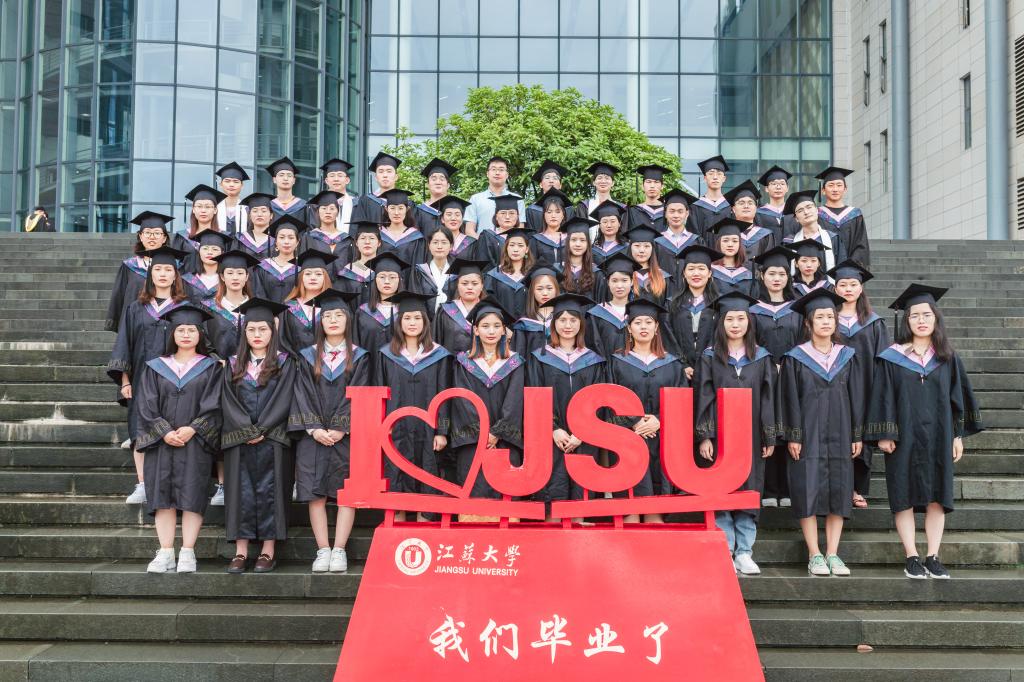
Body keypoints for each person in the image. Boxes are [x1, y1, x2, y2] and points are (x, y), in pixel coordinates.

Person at [866, 284, 983, 580]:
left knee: (937, 496)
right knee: (902, 494)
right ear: (906, 321)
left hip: (939, 436)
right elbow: (883, 396)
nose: (921, 320)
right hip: (903, 436)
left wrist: (957, 435)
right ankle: (911, 556)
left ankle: (933, 556)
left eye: (926, 315)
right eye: (915, 315)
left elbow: (958, 398)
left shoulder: (947, 357)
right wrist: (885, 433)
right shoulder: (891, 357)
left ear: (936, 318)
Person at [778, 289, 864, 578]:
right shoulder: (795, 358)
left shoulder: (848, 357)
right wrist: (794, 435)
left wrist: (856, 434)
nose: (826, 322)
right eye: (820, 317)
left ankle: (833, 553)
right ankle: (814, 553)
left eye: (830, 317)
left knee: (839, 490)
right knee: (807, 489)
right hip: (808, 434)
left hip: (841, 432)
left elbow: (856, 397)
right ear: (808, 323)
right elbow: (789, 399)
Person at [135, 304, 223, 573]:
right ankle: (165, 552)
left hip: (195, 442)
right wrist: (164, 431)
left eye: (192, 330)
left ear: (200, 334)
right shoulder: (155, 367)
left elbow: (215, 403)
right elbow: (146, 404)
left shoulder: (211, 367)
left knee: (193, 495)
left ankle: (187, 552)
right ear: (172, 333)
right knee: (161, 496)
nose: (186, 335)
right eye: (181, 330)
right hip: (161, 443)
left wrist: (193, 428)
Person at [694, 291, 777, 575]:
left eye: (741, 318)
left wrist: (768, 435)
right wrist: (705, 435)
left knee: (749, 488)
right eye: (730, 319)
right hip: (720, 435)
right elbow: (703, 396)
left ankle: (744, 551)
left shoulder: (761, 357)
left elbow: (768, 398)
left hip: (750, 436)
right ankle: (725, 547)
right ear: (721, 322)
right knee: (721, 488)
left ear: (749, 322)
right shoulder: (709, 357)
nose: (736, 324)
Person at [290, 288, 369, 573]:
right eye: (327, 316)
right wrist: (313, 428)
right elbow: (301, 392)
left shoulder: (360, 356)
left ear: (348, 319)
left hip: (347, 436)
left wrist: (340, 428)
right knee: (316, 493)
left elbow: (360, 391)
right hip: (314, 436)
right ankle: (323, 549)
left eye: (338, 315)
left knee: (346, 492)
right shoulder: (307, 356)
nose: (333, 320)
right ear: (320, 321)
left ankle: (340, 550)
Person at [108, 245, 189, 506]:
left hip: (177, 380)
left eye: (168, 269)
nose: (163, 274)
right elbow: (124, 343)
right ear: (150, 274)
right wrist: (125, 380)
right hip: (141, 379)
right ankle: (143, 484)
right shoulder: (135, 308)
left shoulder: (185, 308)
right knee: (140, 429)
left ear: (175, 275)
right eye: (158, 269)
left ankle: (172, 486)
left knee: (173, 428)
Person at [220, 298, 295, 574]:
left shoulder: (286, 363)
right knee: (240, 492)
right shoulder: (232, 364)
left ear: (272, 332)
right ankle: (240, 551)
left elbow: (285, 397)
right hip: (239, 439)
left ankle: (267, 550)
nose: (257, 335)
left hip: (273, 438)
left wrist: (262, 428)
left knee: (270, 492)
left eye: (263, 329)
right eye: (251, 330)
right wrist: (246, 429)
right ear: (244, 332)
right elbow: (227, 400)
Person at [527, 293, 606, 520]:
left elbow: (597, 399)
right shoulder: (540, 358)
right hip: (551, 437)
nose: (568, 325)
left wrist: (582, 433)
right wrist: (553, 429)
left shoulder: (593, 360)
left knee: (581, 493)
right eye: (562, 320)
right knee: (553, 490)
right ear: (554, 324)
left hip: (584, 438)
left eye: (573, 320)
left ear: (581, 324)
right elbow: (534, 396)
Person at [374, 291, 452, 520]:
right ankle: (396, 533)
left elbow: (444, 393)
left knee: (427, 480)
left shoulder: (439, 355)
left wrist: (442, 431)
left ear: (425, 322)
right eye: (407, 318)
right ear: (399, 322)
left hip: (428, 432)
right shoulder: (386, 355)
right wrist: (383, 426)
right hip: (395, 431)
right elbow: (380, 391)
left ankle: (423, 533)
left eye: (417, 318)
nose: (412, 323)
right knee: (396, 483)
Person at [609, 297, 687, 522]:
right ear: (629, 328)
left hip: (661, 439)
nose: (643, 327)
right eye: (637, 322)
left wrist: (660, 420)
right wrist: (634, 422)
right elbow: (610, 400)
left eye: (648, 322)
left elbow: (681, 402)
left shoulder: (672, 364)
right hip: (627, 440)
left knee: (655, 513)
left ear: (656, 327)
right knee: (630, 514)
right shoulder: (616, 362)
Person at [450, 299, 526, 501]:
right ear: (475, 330)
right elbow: (463, 401)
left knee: (506, 494)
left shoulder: (515, 362)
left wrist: (497, 433)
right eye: (485, 326)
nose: (491, 331)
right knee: (474, 493)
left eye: (496, 326)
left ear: (504, 330)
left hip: (505, 441)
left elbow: (515, 401)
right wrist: (483, 433)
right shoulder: (464, 362)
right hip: (473, 442)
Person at [829, 260, 889, 511]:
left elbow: (883, 358)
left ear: (861, 288)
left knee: (862, 438)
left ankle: (857, 489)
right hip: (834, 386)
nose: (848, 289)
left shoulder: (873, 322)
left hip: (865, 388)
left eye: (853, 284)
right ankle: (838, 488)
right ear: (835, 288)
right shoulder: (827, 318)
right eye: (843, 284)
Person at [750, 246, 802, 508]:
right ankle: (769, 488)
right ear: (762, 276)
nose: (777, 279)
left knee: (789, 426)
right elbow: (749, 342)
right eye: (771, 274)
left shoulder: (797, 309)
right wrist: (769, 365)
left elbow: (803, 342)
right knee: (767, 426)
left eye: (781, 274)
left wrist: (789, 365)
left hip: (791, 376)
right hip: (763, 376)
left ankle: (787, 487)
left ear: (788, 277)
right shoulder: (752, 309)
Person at [105, 211, 173, 332]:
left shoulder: (174, 267)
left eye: (157, 233)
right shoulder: (129, 266)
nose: (152, 237)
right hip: (134, 325)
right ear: (140, 237)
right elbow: (118, 295)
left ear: (164, 238)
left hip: (165, 325)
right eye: (147, 232)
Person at [666, 245, 722, 382]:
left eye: (701, 268)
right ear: (684, 273)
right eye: (691, 269)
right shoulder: (672, 303)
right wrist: (682, 364)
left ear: (709, 273)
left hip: (712, 370)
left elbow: (721, 336)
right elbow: (667, 336)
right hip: (679, 373)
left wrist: (708, 362)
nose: (696, 273)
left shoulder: (720, 303)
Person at [354, 253, 408, 372]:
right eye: (382, 277)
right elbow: (356, 348)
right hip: (368, 372)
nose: (387, 281)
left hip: (400, 374)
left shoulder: (408, 313)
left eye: (392, 277)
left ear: (400, 280)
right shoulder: (363, 312)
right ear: (375, 280)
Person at [203, 249, 259, 362]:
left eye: (240, 273)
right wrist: (218, 362)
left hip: (252, 368)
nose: (235, 277)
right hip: (220, 368)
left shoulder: (256, 308)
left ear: (246, 276)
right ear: (222, 277)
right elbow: (205, 342)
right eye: (230, 273)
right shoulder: (209, 308)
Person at [280, 250, 336, 354]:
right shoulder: (289, 307)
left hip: (326, 361)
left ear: (325, 278)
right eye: (308, 274)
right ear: (301, 278)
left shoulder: (333, 306)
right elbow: (282, 340)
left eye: (318, 274)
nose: (313, 277)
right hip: (295, 361)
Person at [816, 166, 871, 266]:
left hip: (850, 269)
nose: (835, 189)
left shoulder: (855, 214)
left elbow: (861, 244)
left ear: (845, 189)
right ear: (823, 190)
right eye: (831, 185)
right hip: (824, 268)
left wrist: (850, 266)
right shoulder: (817, 214)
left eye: (839, 185)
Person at [782, 189, 847, 271]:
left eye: (809, 207)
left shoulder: (833, 238)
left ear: (817, 210)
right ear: (796, 219)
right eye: (800, 210)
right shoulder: (789, 242)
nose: (806, 212)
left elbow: (842, 269)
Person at [588, 254, 637, 361]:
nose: (619, 286)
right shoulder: (597, 314)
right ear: (608, 282)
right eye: (614, 281)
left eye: (624, 280)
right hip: (605, 369)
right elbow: (593, 348)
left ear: (632, 282)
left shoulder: (639, 312)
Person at [433, 257, 487, 353]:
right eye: (464, 283)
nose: (469, 287)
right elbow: (436, 344)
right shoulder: (445, 311)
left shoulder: (489, 310)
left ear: (482, 286)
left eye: (475, 283)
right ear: (457, 285)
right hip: (451, 362)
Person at [464, 156, 525, 236]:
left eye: (501, 170)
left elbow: (520, 228)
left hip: (509, 243)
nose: (497, 173)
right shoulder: (475, 199)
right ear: (487, 174)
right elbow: (469, 230)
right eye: (493, 169)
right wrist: (484, 241)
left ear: (507, 175)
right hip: (482, 242)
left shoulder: (517, 199)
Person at [174, 184, 227, 274]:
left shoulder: (225, 237)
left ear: (215, 210)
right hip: (186, 282)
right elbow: (175, 266)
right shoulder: (182, 237)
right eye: (199, 206)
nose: (203, 210)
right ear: (193, 209)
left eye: (207, 207)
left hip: (217, 282)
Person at [483, 226, 533, 319]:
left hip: (529, 324)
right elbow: (489, 304)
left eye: (520, 245)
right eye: (512, 245)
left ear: (527, 249)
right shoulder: (494, 275)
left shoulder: (533, 274)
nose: (515, 249)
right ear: (506, 247)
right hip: (502, 324)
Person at [251, 214, 303, 304]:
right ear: (275, 242)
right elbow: (259, 295)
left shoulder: (302, 268)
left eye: (291, 238)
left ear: (297, 242)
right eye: (282, 237)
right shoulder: (263, 267)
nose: (286, 242)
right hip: (268, 312)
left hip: (295, 312)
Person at [512, 264, 560, 359]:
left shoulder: (564, 320)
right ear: (532, 292)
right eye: (539, 289)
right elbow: (518, 357)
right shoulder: (524, 324)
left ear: (556, 289)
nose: (545, 293)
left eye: (549, 288)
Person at [654, 189, 701, 283]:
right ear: (665, 214)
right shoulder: (657, 241)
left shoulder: (697, 241)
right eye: (672, 211)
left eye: (680, 211)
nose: (676, 215)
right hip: (663, 288)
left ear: (687, 214)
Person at [407, 225, 455, 313]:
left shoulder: (457, 271)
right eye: (435, 242)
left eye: (444, 242)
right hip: (426, 319)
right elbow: (416, 300)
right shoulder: (419, 271)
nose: (439, 246)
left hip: (451, 319)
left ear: (451, 246)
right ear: (429, 245)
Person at [725, 180, 775, 260]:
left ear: (756, 208)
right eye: (741, 203)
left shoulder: (766, 235)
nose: (746, 206)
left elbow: (768, 262)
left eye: (750, 203)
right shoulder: (725, 235)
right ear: (733, 209)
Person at [557, 216, 604, 301]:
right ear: (567, 242)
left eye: (582, 240)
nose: (578, 244)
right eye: (573, 240)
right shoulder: (557, 271)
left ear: (588, 244)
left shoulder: (597, 274)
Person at [334, 221, 381, 304]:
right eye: (362, 238)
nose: (367, 242)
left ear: (379, 243)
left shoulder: (385, 271)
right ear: (356, 243)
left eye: (372, 238)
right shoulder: (347, 273)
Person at [627, 225, 674, 305]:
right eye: (637, 245)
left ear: (652, 249)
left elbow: (669, 308)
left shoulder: (663, 277)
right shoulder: (623, 276)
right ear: (630, 248)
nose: (642, 250)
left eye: (647, 246)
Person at [351, 151, 401, 226]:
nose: (385, 175)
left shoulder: (407, 203)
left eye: (389, 171)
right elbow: (356, 228)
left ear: (396, 177)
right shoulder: (365, 202)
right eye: (381, 171)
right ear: (376, 177)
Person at [688, 155, 732, 240]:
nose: (715, 177)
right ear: (705, 178)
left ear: (724, 178)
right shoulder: (695, 206)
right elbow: (693, 234)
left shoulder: (730, 205)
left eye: (719, 174)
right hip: (701, 248)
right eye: (711, 173)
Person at [707, 218, 755, 297]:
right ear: (719, 243)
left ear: (739, 244)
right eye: (725, 240)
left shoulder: (747, 274)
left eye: (735, 241)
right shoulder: (710, 272)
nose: (730, 244)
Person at [378, 188, 426, 266]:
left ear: (407, 209)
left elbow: (419, 265)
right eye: (392, 208)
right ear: (386, 209)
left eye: (400, 208)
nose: (396, 213)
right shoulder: (378, 235)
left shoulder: (416, 237)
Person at [302, 190, 350, 266]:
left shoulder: (346, 239)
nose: (328, 212)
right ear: (318, 212)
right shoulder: (309, 237)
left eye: (332, 208)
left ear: (337, 212)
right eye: (324, 208)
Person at [182, 231, 232, 303]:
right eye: (205, 248)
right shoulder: (187, 280)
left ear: (222, 253)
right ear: (199, 252)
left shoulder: (228, 280)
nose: (209, 252)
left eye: (215, 249)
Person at [576, 162, 626, 234]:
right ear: (594, 182)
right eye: (599, 178)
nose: (603, 181)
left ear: (613, 183)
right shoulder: (584, 206)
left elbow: (623, 233)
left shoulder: (621, 208)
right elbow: (581, 232)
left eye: (607, 178)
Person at [476, 194, 526, 266]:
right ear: (496, 216)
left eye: (512, 213)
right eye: (503, 213)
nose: (507, 217)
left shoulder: (524, 237)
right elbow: (483, 264)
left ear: (517, 217)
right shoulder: (487, 236)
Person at [415, 158, 458, 234]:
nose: (438, 182)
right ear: (428, 185)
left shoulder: (457, 210)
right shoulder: (418, 211)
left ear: (448, 185)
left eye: (442, 179)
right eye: (434, 179)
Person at [315, 158, 358, 234]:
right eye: (332, 176)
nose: (336, 179)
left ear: (347, 180)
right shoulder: (316, 204)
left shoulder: (357, 204)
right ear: (326, 181)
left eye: (340, 175)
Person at [528, 188, 570, 265]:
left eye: (557, 212)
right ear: (544, 215)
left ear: (563, 215)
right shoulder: (535, 240)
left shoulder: (570, 238)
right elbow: (531, 266)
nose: (553, 215)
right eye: (549, 212)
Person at [526, 160, 569, 232]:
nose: (551, 181)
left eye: (555, 178)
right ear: (541, 184)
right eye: (547, 178)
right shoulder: (532, 209)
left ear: (560, 185)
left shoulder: (568, 208)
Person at [755, 165, 793, 243]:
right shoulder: (758, 213)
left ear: (787, 188)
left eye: (782, 184)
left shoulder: (794, 211)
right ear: (766, 189)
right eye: (773, 184)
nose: (778, 187)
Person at [627, 164, 672, 231]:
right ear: (642, 186)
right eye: (648, 182)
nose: (652, 186)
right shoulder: (632, 211)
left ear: (662, 186)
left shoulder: (670, 211)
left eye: (656, 182)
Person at [236, 193, 276, 260]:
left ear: (271, 215)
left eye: (264, 211)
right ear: (250, 216)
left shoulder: (277, 239)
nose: (259, 214)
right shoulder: (240, 239)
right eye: (255, 211)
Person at [589, 200, 629, 267]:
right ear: (599, 225)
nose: (609, 225)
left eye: (613, 221)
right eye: (605, 222)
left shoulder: (627, 248)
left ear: (619, 224)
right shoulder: (592, 249)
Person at [437, 195, 477, 260]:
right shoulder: (435, 241)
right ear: (442, 219)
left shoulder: (472, 243)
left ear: (462, 219)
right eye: (449, 214)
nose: (453, 218)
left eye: (457, 215)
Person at [215, 162, 250, 235]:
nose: (231, 185)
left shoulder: (248, 210)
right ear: (221, 184)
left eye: (236, 182)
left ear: (242, 185)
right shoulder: (214, 209)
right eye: (227, 181)